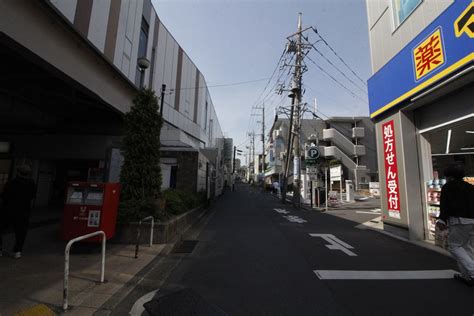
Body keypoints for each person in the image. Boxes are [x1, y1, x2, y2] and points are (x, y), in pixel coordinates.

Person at [436, 165, 474, 286]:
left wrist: (442, 220)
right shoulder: (470, 187)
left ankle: (472, 272)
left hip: (459, 220)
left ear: (450, 177)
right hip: (472, 220)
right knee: (467, 246)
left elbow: (445, 205)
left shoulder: (448, 187)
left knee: (455, 246)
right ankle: (466, 276)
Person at [0, 164, 36, 259]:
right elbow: (32, 196)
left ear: (18, 172)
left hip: (8, 210)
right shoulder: (31, 184)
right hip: (24, 211)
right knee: (21, 232)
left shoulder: (11, 183)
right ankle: (17, 251)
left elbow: (4, 195)